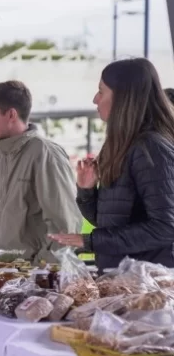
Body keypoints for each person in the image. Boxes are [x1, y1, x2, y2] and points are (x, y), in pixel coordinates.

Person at [49, 58, 174, 269]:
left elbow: (165, 227)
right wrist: (87, 191)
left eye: (101, 91)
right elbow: (109, 223)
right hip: (122, 278)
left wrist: (90, 241)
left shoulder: (150, 148)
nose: (95, 99)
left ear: (124, 98)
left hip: (148, 285)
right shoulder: (121, 145)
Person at [0, 80, 82, 264]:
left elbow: (66, 227)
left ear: (11, 114)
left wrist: (38, 272)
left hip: (32, 282)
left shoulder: (45, 155)